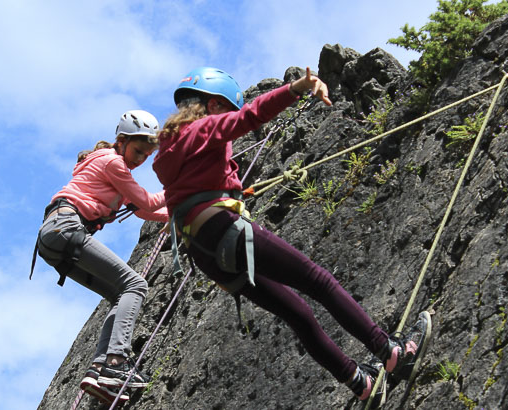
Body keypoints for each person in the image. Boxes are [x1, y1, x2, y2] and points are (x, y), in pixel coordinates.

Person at [152, 67, 431, 404]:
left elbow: (191, 189)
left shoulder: (169, 148)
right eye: (227, 109)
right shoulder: (206, 127)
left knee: (296, 313)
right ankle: (391, 352)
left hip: (204, 252)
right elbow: (250, 118)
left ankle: (361, 384)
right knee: (319, 281)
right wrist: (297, 87)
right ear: (212, 106)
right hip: (223, 228)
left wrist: (232, 189)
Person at [34, 110, 168, 404]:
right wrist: (183, 190)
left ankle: (99, 369)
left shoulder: (112, 167)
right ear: (122, 141)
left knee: (119, 294)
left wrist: (179, 212)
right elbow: (146, 200)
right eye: (138, 150)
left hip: (54, 240)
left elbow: (144, 210)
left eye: (146, 155)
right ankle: (116, 363)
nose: (140, 159)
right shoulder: (112, 162)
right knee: (135, 285)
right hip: (66, 229)